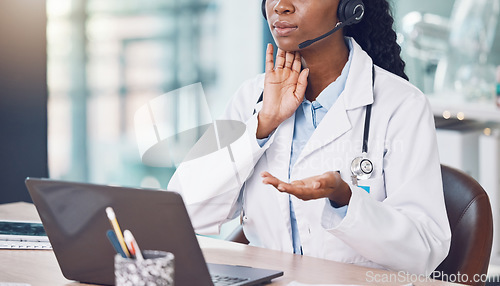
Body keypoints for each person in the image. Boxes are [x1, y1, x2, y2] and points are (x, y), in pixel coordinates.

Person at [168, 0, 451, 275]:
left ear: (349, 7)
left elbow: (424, 248)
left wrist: (345, 199)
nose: (280, 6)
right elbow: (181, 210)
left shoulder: (402, 105)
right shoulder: (250, 97)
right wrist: (261, 126)